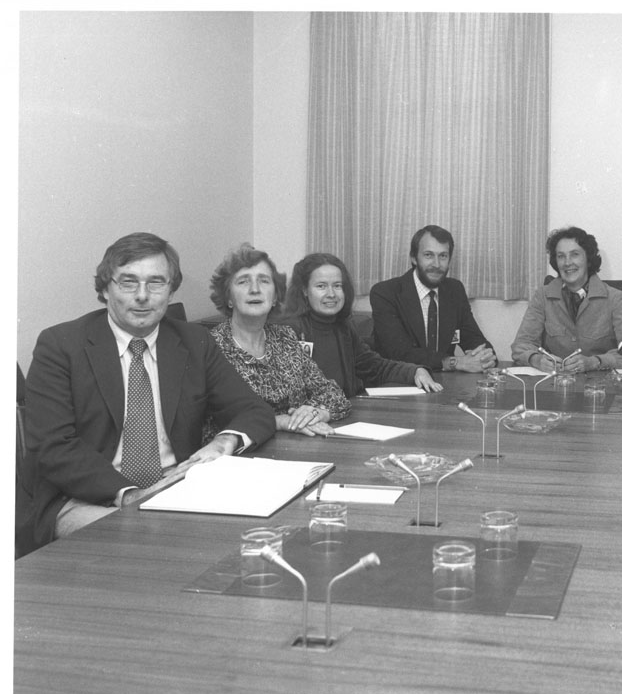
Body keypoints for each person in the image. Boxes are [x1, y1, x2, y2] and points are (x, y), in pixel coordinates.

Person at [21, 232, 276, 555]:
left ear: (171, 291)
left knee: (258, 533)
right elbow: (52, 446)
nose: (143, 295)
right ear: (104, 289)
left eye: (156, 283)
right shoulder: (61, 346)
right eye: (128, 282)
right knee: (149, 542)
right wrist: (129, 494)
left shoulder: (194, 342)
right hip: (83, 497)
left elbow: (254, 411)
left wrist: (222, 443)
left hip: (172, 489)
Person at [208, 243, 351, 436]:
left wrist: (316, 412)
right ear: (229, 298)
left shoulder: (285, 337)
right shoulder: (211, 346)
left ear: (275, 296)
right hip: (242, 456)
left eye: (264, 281)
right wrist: (278, 422)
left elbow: (332, 392)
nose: (255, 289)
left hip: (299, 448)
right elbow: (213, 422)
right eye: (243, 282)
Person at [281, 253, 443, 397]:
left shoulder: (344, 328)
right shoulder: (288, 332)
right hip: (307, 423)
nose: (331, 294)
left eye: (337, 286)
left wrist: (415, 371)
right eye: (321, 286)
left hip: (344, 416)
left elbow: (375, 367)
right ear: (304, 290)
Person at [510, 226, 622, 372]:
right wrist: (536, 360)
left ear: (588, 259)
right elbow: (521, 346)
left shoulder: (615, 298)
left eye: (575, 254)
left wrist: (595, 362)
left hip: (600, 386)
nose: (567, 262)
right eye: (561, 256)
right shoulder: (542, 296)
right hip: (555, 384)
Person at [370, 224, 496, 372]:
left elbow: (473, 338)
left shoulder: (454, 290)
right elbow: (399, 353)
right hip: (399, 381)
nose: (436, 264)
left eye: (443, 256)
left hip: (444, 384)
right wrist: (455, 362)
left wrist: (485, 358)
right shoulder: (386, 293)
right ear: (414, 258)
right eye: (428, 255)